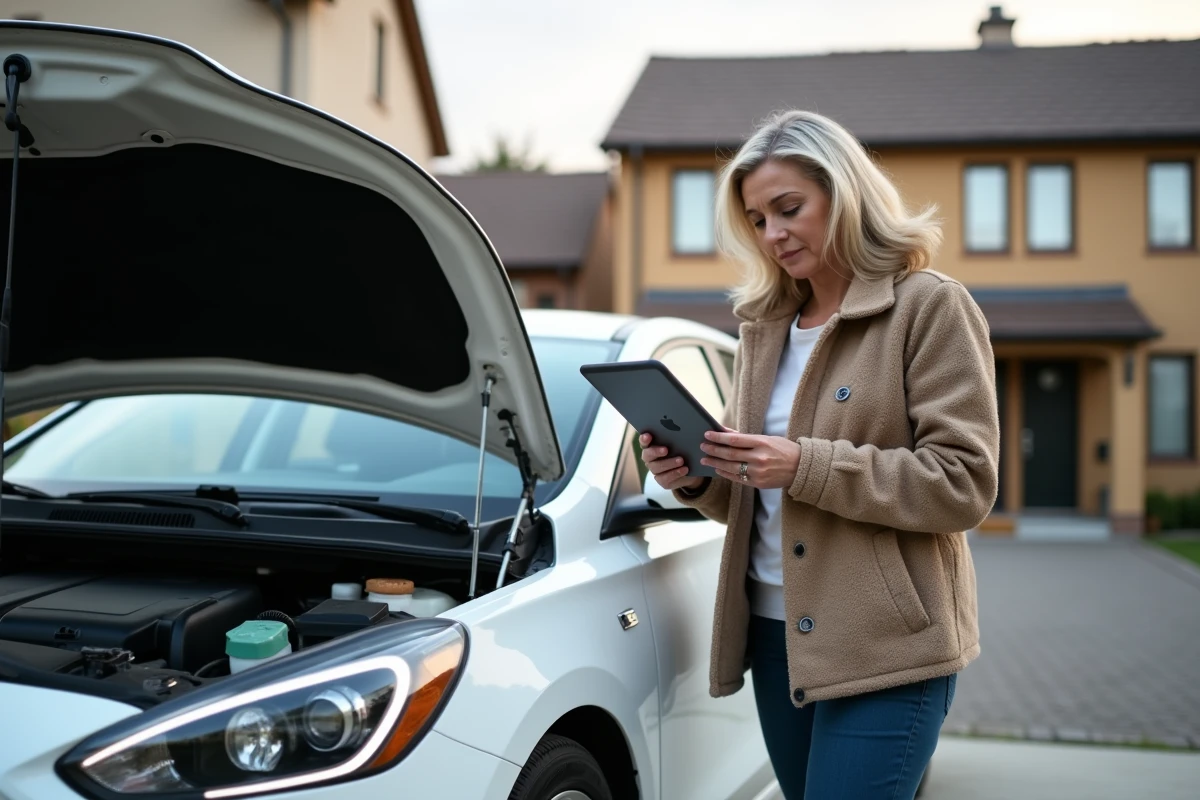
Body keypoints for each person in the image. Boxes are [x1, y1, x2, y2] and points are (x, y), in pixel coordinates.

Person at [640, 109, 1000, 800]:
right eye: (756, 220)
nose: (772, 235)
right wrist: (696, 476)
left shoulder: (928, 308)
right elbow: (755, 489)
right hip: (777, 640)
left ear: (845, 194)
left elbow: (963, 483)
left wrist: (804, 463)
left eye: (788, 209)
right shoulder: (763, 329)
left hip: (888, 647)